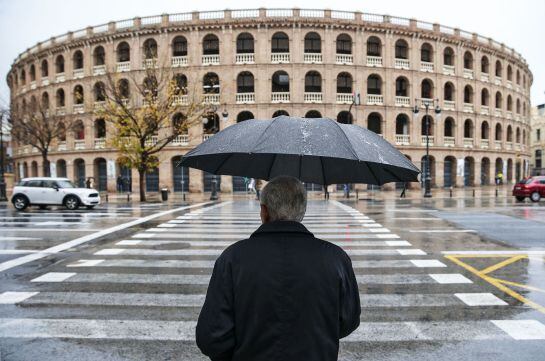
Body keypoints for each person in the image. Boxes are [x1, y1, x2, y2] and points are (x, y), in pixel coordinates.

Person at [196, 176, 360, 361]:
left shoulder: (232, 258)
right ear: (302, 211)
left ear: (264, 212)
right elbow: (349, 321)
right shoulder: (336, 258)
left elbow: (211, 336)